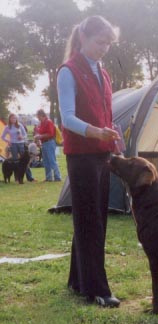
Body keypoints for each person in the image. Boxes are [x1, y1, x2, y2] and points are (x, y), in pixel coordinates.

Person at [57, 15, 121, 307]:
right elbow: (67, 118)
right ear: (83, 38)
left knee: (95, 217)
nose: (104, 48)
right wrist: (96, 132)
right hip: (81, 156)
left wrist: (112, 134)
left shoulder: (104, 73)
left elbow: (105, 114)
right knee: (89, 221)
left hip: (102, 154)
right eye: (100, 42)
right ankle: (96, 289)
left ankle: (77, 280)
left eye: (108, 43)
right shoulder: (68, 71)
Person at [34, 109, 61, 182]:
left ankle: (57, 177)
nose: (38, 118)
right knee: (46, 161)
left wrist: (40, 136)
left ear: (42, 115)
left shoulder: (48, 122)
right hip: (44, 143)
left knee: (52, 160)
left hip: (49, 142)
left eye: (38, 116)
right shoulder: (41, 123)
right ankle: (48, 178)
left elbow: (51, 134)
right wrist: (39, 139)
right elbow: (41, 133)